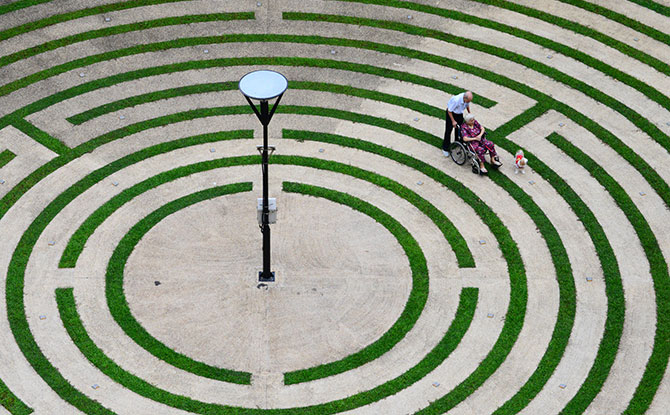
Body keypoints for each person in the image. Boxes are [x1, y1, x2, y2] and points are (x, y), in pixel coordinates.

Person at [443, 91, 472, 156]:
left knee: (459, 129)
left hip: (459, 114)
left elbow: (467, 105)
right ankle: (445, 148)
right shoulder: (456, 100)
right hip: (451, 114)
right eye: (468, 101)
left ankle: (458, 142)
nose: (468, 102)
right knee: (448, 130)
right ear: (465, 98)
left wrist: (469, 113)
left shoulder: (466, 100)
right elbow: (449, 110)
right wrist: (453, 121)